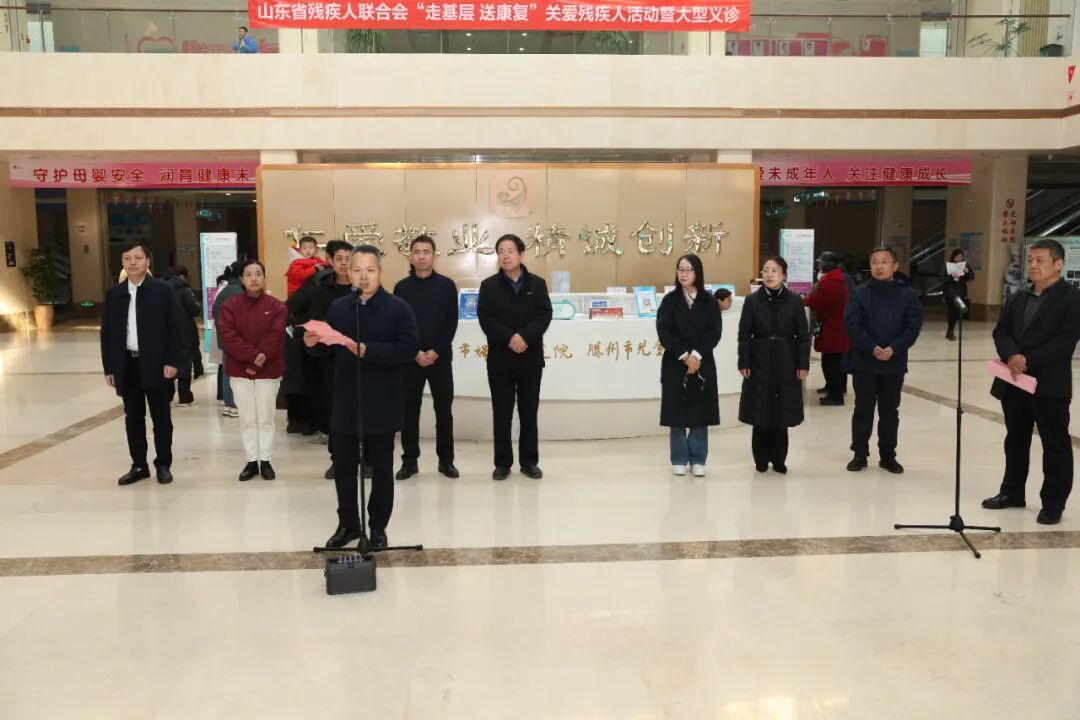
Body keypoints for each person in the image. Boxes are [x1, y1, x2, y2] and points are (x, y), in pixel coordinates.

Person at [304, 245, 419, 549]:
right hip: (346, 400)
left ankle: (377, 526)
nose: (363, 276)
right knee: (344, 468)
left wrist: (370, 351)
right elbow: (325, 349)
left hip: (383, 400)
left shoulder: (398, 308)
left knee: (381, 469)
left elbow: (408, 349)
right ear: (348, 272)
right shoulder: (340, 308)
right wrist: (312, 343)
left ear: (380, 272)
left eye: (370, 270)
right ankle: (348, 525)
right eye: (356, 270)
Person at [982, 239, 1080, 525]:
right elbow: (1001, 332)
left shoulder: (1072, 298)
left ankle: (1053, 503)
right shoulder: (1019, 297)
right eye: (1030, 260)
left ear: (1058, 264)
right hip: (1014, 382)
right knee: (1015, 439)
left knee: (1055, 444)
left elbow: (1066, 341)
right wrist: (1011, 356)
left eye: (1040, 260)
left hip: (1049, 384)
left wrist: (1026, 360)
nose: (1033, 265)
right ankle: (1012, 492)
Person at [101, 242, 183, 486]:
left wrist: (172, 361)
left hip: (157, 364)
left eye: (138, 257)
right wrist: (109, 367)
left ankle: (163, 464)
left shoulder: (162, 290)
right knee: (133, 417)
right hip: (127, 365)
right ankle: (139, 465)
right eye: (127, 258)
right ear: (122, 263)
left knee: (161, 417)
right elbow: (107, 334)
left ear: (148, 261)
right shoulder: (115, 294)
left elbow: (175, 328)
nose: (133, 262)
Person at [477, 234, 553, 481]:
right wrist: (510, 338)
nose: (505, 256)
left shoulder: (537, 284)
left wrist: (525, 337)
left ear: (521, 254)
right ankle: (502, 463)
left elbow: (544, 315)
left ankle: (529, 462)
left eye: (510, 251)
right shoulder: (489, 286)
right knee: (502, 414)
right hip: (501, 360)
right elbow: (486, 318)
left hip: (530, 359)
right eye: (501, 251)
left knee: (529, 413)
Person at [843, 246, 923, 474]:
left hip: (893, 363)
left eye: (884, 261)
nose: (879, 266)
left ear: (895, 266)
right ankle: (859, 453)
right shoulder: (859, 293)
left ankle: (888, 455)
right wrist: (871, 347)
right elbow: (852, 324)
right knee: (863, 409)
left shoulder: (907, 295)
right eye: (875, 261)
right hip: (865, 362)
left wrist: (894, 348)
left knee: (890, 411)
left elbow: (913, 326)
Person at [393, 235, 460, 480]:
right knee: (409, 413)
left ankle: (446, 461)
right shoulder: (401, 288)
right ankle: (410, 462)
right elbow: (398, 324)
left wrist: (436, 351)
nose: (421, 256)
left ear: (434, 255)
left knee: (444, 411)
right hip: (410, 359)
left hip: (440, 359)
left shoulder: (447, 285)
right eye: (417, 252)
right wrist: (415, 352)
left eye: (426, 252)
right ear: (411, 256)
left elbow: (451, 322)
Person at [288, 239, 354, 478]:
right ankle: (338, 460)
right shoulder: (320, 288)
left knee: (361, 411)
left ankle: (365, 460)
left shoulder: (363, 287)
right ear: (330, 261)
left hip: (360, 359)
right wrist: (308, 337)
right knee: (335, 413)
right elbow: (302, 315)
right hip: (330, 359)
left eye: (348, 259)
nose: (344, 264)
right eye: (339, 259)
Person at [738, 256, 810, 473]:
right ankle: (760, 459)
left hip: (786, 359)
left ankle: (779, 459)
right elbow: (744, 334)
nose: (769, 274)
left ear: (783, 274)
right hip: (759, 358)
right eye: (766, 270)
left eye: (774, 270)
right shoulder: (752, 301)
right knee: (760, 410)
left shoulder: (795, 301)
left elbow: (803, 336)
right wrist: (744, 361)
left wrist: (803, 364)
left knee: (781, 412)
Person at [218, 260, 287, 482]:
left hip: (268, 370)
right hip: (240, 371)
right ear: (242, 279)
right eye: (249, 274)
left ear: (264, 278)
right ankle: (251, 461)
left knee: (265, 417)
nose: (254, 278)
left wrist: (258, 360)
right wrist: (251, 357)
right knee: (247, 418)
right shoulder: (230, 305)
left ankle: (265, 460)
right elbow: (228, 337)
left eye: (258, 274)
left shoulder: (277, 306)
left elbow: (276, 336)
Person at [656, 254, 722, 477]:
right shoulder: (669, 300)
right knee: (676, 413)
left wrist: (696, 355)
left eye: (688, 270)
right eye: (680, 270)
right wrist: (685, 356)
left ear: (697, 272)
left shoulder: (709, 301)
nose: (683, 274)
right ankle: (678, 458)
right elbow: (664, 332)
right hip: (676, 363)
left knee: (700, 413)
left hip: (702, 362)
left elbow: (714, 332)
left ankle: (698, 459)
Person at [803, 251, 851, 406]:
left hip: (832, 328)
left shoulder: (829, 283)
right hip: (839, 327)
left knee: (831, 363)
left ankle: (836, 396)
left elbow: (815, 301)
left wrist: (800, 301)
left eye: (820, 263)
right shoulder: (839, 280)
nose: (818, 267)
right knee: (834, 361)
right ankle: (834, 388)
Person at [165, 264, 202, 407]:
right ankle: (184, 397)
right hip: (184, 331)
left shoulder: (161, 289)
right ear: (182, 276)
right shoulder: (184, 289)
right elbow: (194, 309)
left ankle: (167, 397)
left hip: (166, 331)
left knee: (168, 361)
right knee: (185, 363)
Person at [212, 261, 245, 418]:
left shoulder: (223, 290)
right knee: (237, 373)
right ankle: (235, 404)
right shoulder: (240, 292)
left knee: (227, 372)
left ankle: (228, 404)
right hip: (238, 339)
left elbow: (214, 312)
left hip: (224, 338)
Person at [942, 248, 975, 341]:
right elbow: (942, 278)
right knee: (952, 311)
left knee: (957, 312)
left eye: (961, 257)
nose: (959, 259)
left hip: (960, 292)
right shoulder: (947, 266)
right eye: (957, 257)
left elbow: (971, 277)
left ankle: (950, 329)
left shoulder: (965, 265)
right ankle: (951, 331)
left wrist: (967, 272)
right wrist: (951, 276)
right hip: (950, 292)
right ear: (953, 257)